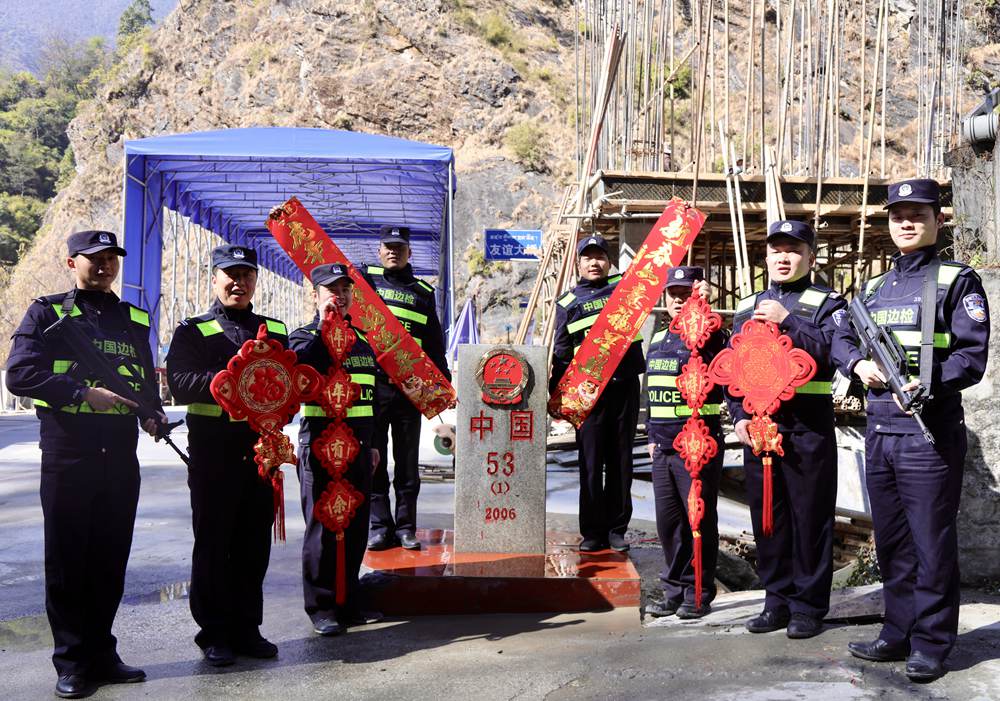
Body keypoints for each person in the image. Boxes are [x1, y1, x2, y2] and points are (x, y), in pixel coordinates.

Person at [834, 179, 990, 682]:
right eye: (898, 215)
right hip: (880, 432)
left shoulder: (956, 280)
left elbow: (971, 357)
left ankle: (931, 642)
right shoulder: (875, 288)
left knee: (931, 544)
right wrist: (857, 364)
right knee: (893, 542)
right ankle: (896, 631)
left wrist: (929, 382)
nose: (906, 223)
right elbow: (841, 336)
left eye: (917, 215)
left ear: (937, 220)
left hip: (927, 432)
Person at [6, 230, 163, 698]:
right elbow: (20, 374)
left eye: (111, 257)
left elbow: (142, 376)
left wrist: (153, 412)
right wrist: (79, 393)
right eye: (94, 258)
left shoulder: (133, 317)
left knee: (110, 557)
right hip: (68, 449)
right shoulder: (46, 312)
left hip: (120, 451)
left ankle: (102, 653)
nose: (104, 265)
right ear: (71, 262)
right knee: (68, 559)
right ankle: (72, 662)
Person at [165, 244, 288, 667]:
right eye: (230, 274)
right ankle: (214, 632)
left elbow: (288, 382)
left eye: (247, 274)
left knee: (254, 543)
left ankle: (247, 628)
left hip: (260, 453)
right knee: (214, 543)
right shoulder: (193, 330)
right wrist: (235, 381)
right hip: (213, 452)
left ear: (256, 280)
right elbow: (179, 383)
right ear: (214, 278)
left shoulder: (274, 329)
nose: (239, 282)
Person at [728, 220, 846, 639]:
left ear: (811, 257)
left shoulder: (827, 303)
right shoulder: (747, 306)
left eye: (793, 250)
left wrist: (790, 320)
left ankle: (808, 607)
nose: (783, 257)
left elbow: (834, 353)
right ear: (765, 257)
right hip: (760, 429)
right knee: (768, 518)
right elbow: (733, 368)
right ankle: (775, 601)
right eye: (776, 250)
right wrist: (738, 415)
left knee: (810, 518)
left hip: (807, 427)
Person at [290, 263, 383, 636]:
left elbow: (372, 397)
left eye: (345, 290)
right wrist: (325, 329)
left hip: (359, 447)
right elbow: (299, 372)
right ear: (315, 295)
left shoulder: (362, 340)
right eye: (331, 290)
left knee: (356, 525)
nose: (339, 296)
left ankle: (349, 600)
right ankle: (322, 606)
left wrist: (373, 445)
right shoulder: (302, 338)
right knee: (322, 527)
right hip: (320, 447)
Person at [551, 234, 644, 552]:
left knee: (621, 461)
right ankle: (591, 531)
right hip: (587, 394)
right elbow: (562, 353)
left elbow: (657, 271)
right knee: (590, 463)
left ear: (609, 261)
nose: (594, 262)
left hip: (624, 387)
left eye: (600, 256)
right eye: (588, 257)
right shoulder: (567, 303)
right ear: (578, 263)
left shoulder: (625, 290)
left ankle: (617, 530)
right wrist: (557, 397)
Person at [644, 267, 728, 619]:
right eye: (673, 295)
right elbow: (651, 391)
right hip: (662, 447)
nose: (678, 301)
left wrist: (705, 311)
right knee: (669, 524)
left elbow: (721, 360)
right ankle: (673, 591)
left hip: (697, 445)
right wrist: (651, 435)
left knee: (699, 521)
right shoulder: (658, 339)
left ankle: (698, 593)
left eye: (686, 294)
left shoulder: (709, 336)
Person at [363, 225, 449, 552]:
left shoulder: (423, 292)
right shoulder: (366, 283)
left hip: (409, 391)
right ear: (379, 250)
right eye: (387, 246)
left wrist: (442, 386)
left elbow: (434, 344)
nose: (393, 252)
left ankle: (406, 527)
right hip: (373, 388)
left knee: (407, 464)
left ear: (409, 252)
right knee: (374, 461)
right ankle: (379, 527)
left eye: (399, 247)